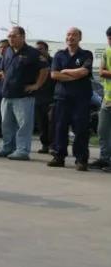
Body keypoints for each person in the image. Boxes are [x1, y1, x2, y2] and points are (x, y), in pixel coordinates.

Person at [0, 26, 48, 161]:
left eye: (14, 36)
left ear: (23, 37)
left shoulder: (33, 53)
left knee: (23, 125)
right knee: (6, 124)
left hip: (24, 96)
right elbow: (4, 70)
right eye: (9, 36)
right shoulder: (8, 51)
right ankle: (8, 148)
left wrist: (37, 85)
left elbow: (44, 70)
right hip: (7, 94)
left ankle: (22, 150)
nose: (11, 39)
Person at [47, 28, 94, 171]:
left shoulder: (86, 54)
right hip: (62, 98)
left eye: (74, 35)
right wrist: (75, 76)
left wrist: (66, 71)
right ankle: (58, 157)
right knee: (60, 128)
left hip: (81, 99)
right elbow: (54, 75)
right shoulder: (59, 55)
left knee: (81, 129)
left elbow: (84, 71)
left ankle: (81, 160)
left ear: (80, 38)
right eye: (68, 34)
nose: (70, 37)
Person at [91, 26, 111, 171]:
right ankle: (104, 159)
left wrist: (106, 72)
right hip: (107, 98)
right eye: (109, 38)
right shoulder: (106, 52)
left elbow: (105, 72)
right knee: (102, 130)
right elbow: (101, 72)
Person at [34, 40, 56, 154]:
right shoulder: (34, 63)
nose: (38, 51)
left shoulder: (54, 62)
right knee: (41, 123)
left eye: (40, 49)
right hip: (38, 97)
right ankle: (45, 145)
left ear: (47, 50)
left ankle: (53, 145)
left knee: (52, 122)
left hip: (52, 97)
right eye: (36, 50)